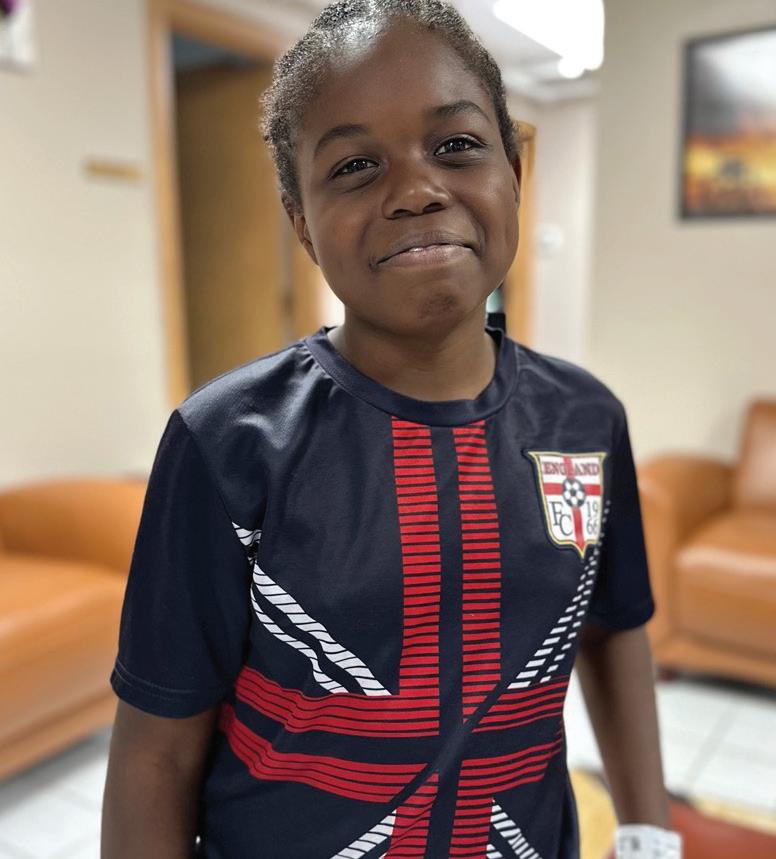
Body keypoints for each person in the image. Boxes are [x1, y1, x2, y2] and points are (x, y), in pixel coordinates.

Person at [102, 2, 682, 857]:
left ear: (515, 173)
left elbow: (612, 625)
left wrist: (648, 832)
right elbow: (155, 751)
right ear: (301, 222)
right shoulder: (227, 442)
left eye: (457, 145)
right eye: (355, 166)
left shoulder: (586, 420)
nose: (416, 191)